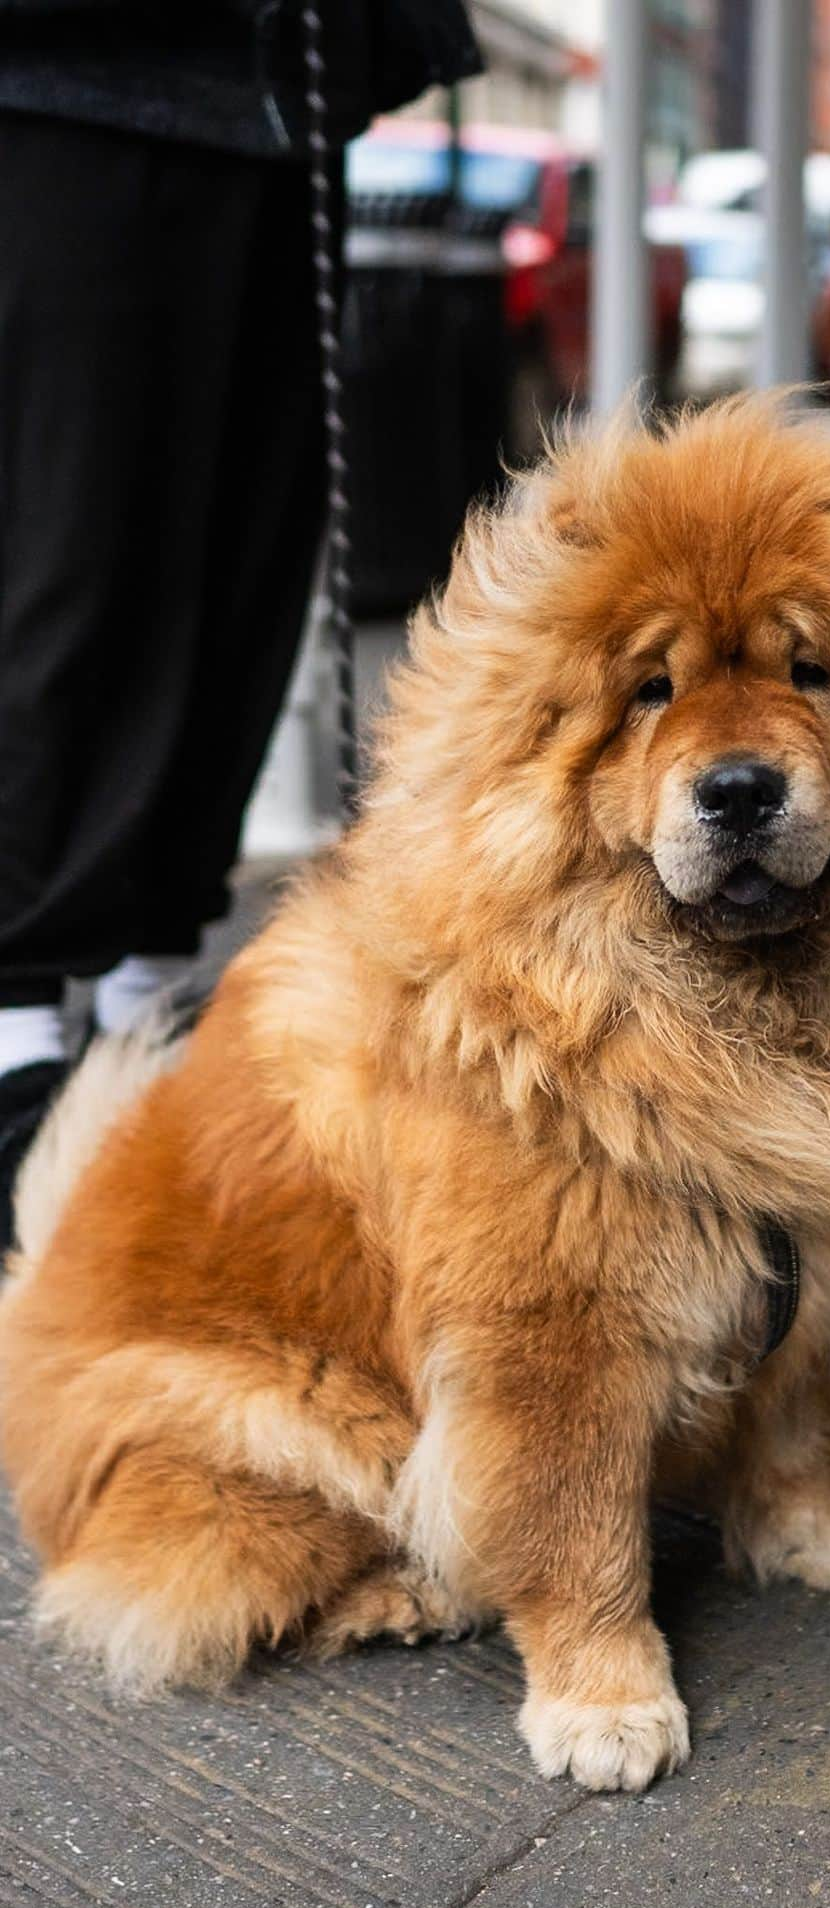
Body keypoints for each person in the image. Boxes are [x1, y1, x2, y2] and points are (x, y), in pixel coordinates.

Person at [0, 0, 481, 1240]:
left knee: (245, 575)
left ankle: (145, 1008)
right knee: (82, 561)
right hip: (69, 95)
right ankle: (17, 1031)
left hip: (282, 104)